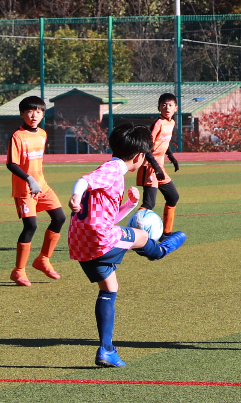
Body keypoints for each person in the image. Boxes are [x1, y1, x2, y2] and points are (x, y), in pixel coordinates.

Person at [68, 123, 186, 368]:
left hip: (79, 242)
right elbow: (83, 181)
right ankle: (160, 250)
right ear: (139, 156)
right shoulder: (113, 170)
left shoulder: (111, 170)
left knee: (110, 288)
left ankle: (107, 350)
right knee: (142, 237)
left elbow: (104, 217)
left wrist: (129, 206)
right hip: (100, 240)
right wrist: (76, 196)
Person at [6, 96, 66, 287]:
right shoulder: (17, 136)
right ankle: (19, 271)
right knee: (31, 226)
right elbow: (11, 163)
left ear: (43, 114)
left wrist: (37, 181)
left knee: (60, 218)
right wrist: (29, 179)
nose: (34, 115)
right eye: (30, 111)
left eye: (39, 111)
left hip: (42, 186)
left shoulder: (42, 134)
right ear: (22, 114)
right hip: (25, 189)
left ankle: (43, 259)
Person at [136, 93, 181, 241]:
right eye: (164, 105)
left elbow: (163, 144)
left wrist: (172, 158)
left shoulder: (172, 123)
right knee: (149, 203)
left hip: (159, 168)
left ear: (176, 108)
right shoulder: (158, 123)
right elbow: (146, 146)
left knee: (173, 197)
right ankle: (133, 234)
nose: (167, 108)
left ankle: (166, 234)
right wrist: (155, 167)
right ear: (158, 108)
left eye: (170, 105)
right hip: (150, 167)